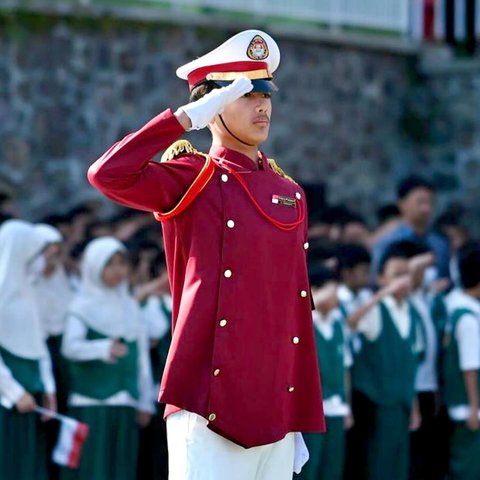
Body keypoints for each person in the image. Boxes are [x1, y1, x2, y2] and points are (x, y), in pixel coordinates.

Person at [88, 29, 325, 479]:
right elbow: (107, 174)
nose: (263, 106)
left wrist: (292, 404)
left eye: (266, 93)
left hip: (275, 403)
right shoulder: (192, 177)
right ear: (212, 106)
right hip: (208, 401)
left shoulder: (289, 191)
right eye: (246, 93)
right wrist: (180, 120)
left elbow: (293, 307)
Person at [60, 236, 155, 480]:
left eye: (122, 263)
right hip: (92, 402)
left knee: (120, 467)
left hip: (125, 402)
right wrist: (103, 348)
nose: (118, 271)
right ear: (95, 266)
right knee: (93, 467)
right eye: (110, 264)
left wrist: (145, 400)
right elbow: (70, 347)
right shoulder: (81, 306)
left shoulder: (130, 307)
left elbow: (141, 358)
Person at [346, 241, 424, 480]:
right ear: (381, 278)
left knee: (400, 467)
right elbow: (352, 323)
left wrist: (414, 407)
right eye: (397, 275)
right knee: (377, 466)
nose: (404, 281)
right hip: (376, 406)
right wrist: (382, 295)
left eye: (406, 275)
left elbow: (412, 364)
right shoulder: (377, 310)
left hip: (401, 405)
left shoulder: (412, 312)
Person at [0, 219, 57, 480]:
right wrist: (13, 392)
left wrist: (48, 389)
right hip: (9, 400)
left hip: (31, 397)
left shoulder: (27, 294)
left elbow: (37, 344)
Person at [298, 266, 353, 480]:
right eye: (333, 290)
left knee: (332, 469)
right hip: (312, 411)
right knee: (309, 470)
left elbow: (345, 367)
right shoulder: (305, 322)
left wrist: (347, 406)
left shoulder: (338, 324)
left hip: (336, 408)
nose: (337, 296)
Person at [442, 243, 480, 480]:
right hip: (469, 407)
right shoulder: (467, 318)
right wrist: (474, 407)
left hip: (470, 406)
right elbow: (469, 366)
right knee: (467, 466)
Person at [372, 175, 450, 281]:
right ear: (401, 204)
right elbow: (376, 278)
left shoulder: (440, 243)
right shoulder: (387, 242)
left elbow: (446, 277)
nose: (426, 209)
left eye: (430, 202)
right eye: (420, 202)